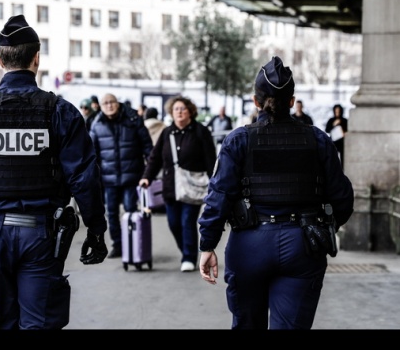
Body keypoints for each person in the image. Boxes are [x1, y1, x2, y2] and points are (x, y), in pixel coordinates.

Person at [0, 14, 108, 330]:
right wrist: (96, 230)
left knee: (4, 323)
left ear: (1, 60)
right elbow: (84, 178)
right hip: (41, 236)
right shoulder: (60, 112)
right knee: (38, 322)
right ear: (37, 59)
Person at [198, 56, 354, 329]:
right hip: (303, 244)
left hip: (249, 244)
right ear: (292, 102)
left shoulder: (238, 140)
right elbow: (342, 198)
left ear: (255, 101)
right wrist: (324, 225)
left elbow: (218, 196)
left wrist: (207, 244)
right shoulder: (317, 139)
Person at [140, 96, 216, 272]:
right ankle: (186, 252)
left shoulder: (200, 131)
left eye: (183, 109)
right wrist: (147, 177)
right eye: (176, 109)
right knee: (173, 223)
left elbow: (210, 159)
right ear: (171, 113)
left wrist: (215, 182)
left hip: (192, 187)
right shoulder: (167, 133)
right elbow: (155, 158)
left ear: (190, 111)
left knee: (187, 221)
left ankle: (189, 257)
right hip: (170, 187)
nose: (179, 112)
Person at [89, 93, 153, 259]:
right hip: (109, 178)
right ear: (100, 106)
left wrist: (149, 172)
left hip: (131, 176)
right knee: (111, 213)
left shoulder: (132, 119)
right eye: (105, 103)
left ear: (117, 103)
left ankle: (132, 243)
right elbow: (92, 154)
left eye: (111, 102)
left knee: (130, 210)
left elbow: (147, 145)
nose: (109, 105)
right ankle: (118, 245)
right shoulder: (97, 124)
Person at [325, 103, 348, 168]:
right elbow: (327, 129)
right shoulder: (331, 120)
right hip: (333, 142)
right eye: (336, 111)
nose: (337, 113)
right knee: (332, 157)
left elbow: (348, 130)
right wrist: (333, 124)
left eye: (339, 111)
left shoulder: (344, 120)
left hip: (342, 142)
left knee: (343, 158)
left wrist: (344, 133)